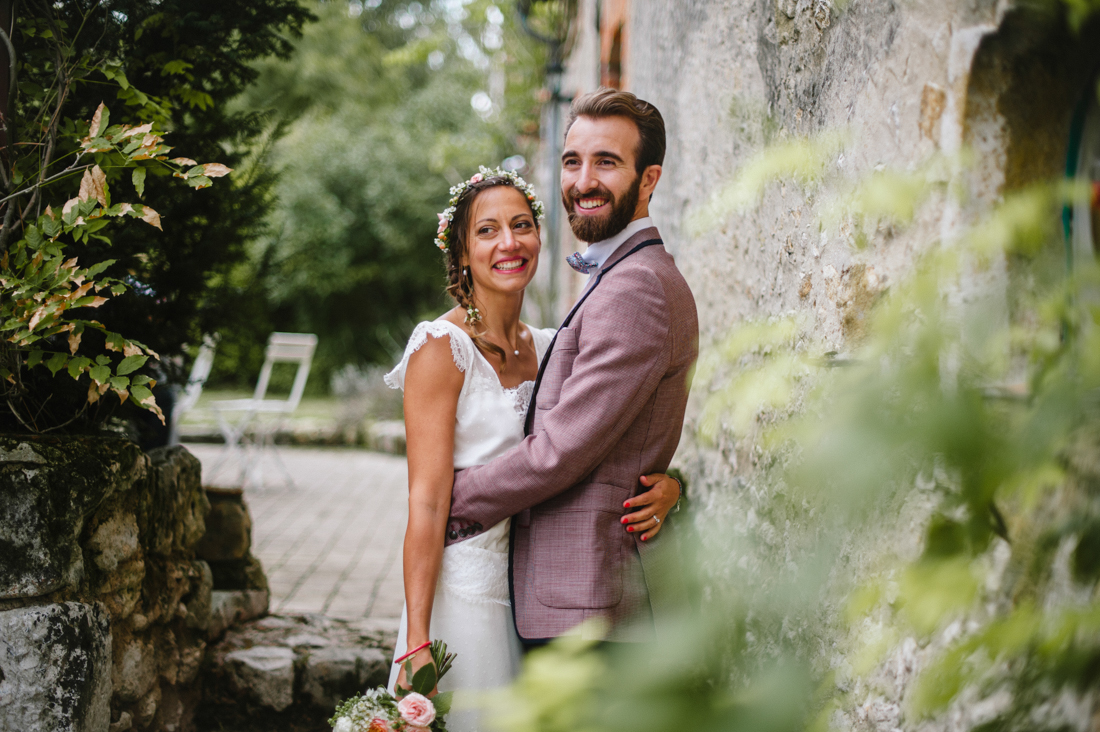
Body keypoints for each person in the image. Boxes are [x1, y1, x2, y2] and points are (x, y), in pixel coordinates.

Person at [383, 166, 682, 731]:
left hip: (539, 596)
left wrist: (672, 486)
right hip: (466, 591)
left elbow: (600, 441)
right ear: (462, 251)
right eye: (488, 231)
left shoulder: (551, 347)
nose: (509, 243)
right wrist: (417, 640)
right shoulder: (439, 349)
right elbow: (425, 503)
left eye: (521, 225)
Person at [442, 88, 698, 646]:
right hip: (565, 593)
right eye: (572, 161)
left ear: (648, 179)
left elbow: (561, 449)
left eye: (606, 162)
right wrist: (672, 481)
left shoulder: (635, 289)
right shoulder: (621, 277)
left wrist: (446, 501)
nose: (583, 181)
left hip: (587, 603)